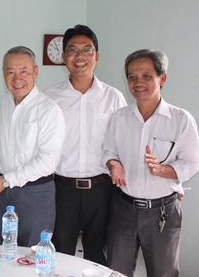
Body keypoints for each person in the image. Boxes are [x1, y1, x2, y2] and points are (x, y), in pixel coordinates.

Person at [103, 49, 199, 277]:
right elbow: (108, 151)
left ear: (162, 78)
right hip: (123, 209)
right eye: (132, 77)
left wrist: (163, 170)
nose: (138, 82)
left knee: (163, 273)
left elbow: (192, 162)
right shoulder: (120, 117)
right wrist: (113, 164)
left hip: (162, 213)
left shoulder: (180, 119)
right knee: (116, 272)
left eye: (147, 75)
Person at [44, 25, 126, 265]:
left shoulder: (113, 97)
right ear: (63, 58)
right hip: (62, 190)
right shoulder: (50, 98)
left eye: (86, 50)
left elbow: (124, 142)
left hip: (101, 190)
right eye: (72, 50)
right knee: (60, 254)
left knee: (97, 257)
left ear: (97, 56)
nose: (79, 56)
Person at [0, 46, 65, 247]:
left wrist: (6, 180)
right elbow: (11, 133)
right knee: (6, 249)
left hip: (34, 193)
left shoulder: (49, 109)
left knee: (33, 253)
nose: (17, 79)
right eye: (10, 72)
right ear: (3, 74)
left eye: (23, 71)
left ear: (35, 72)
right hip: (4, 192)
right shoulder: (5, 102)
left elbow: (47, 161)